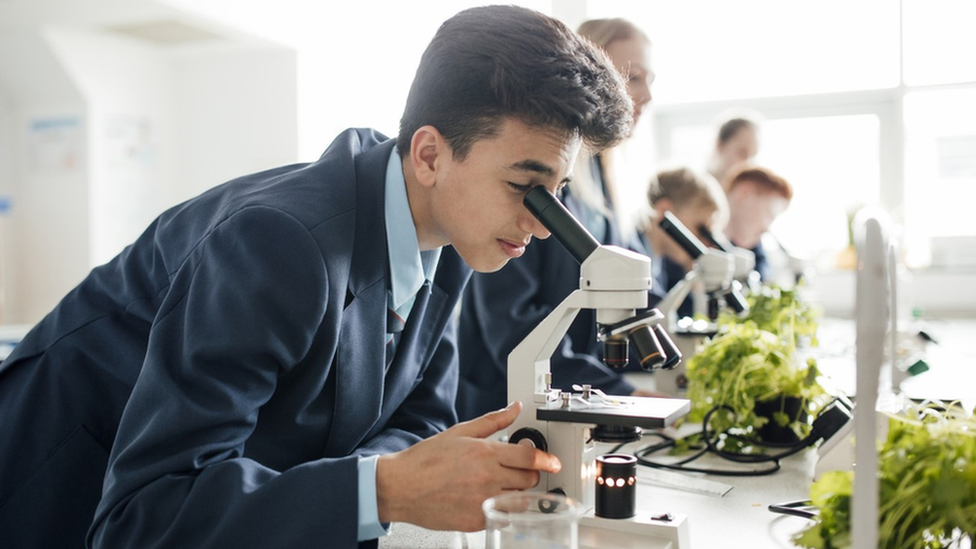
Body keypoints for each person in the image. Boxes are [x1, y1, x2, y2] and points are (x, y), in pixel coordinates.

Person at [0, 6, 634, 549]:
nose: (545, 225)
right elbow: (146, 515)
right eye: (527, 187)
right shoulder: (278, 242)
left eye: (558, 193)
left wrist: (392, 479)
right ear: (431, 154)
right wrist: (385, 487)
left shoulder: (451, 233)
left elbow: (420, 415)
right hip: (60, 478)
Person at [456, 17, 656, 423]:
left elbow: (636, 296)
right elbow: (513, 325)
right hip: (506, 405)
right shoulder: (529, 187)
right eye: (633, 78)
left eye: (651, 79)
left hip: (566, 395)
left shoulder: (604, 186)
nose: (647, 95)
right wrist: (617, 394)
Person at [640, 167, 729, 317]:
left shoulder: (658, 263)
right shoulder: (633, 259)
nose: (705, 244)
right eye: (701, 230)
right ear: (664, 211)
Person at [723, 164, 793, 280]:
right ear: (745, 194)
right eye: (769, 215)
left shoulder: (758, 258)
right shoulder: (698, 245)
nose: (766, 229)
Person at [706, 114, 761, 187]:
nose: (747, 164)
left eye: (753, 156)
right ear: (719, 146)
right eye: (742, 152)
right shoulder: (696, 190)